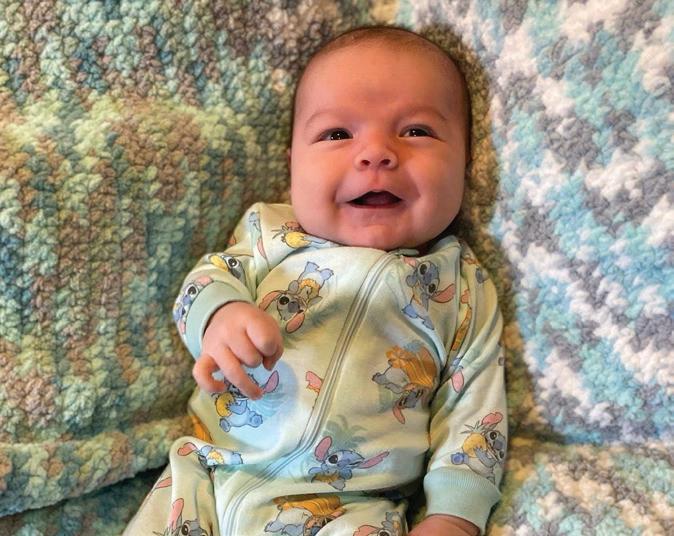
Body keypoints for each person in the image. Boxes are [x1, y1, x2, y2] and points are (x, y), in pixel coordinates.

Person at [125, 26, 506, 536]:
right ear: (293, 166)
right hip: (207, 477)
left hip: (348, 509)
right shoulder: (270, 234)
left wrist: (454, 517)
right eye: (337, 135)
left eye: (416, 131)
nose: (376, 153)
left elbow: (475, 412)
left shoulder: (461, 288)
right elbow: (205, 281)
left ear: (466, 162)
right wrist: (221, 315)